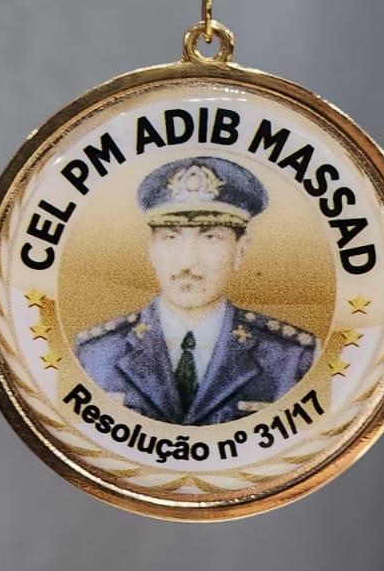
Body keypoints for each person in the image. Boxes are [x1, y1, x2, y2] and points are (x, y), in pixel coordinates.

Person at [74, 157, 317, 425]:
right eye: (171, 238)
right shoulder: (95, 353)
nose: (187, 263)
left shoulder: (290, 357)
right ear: (151, 250)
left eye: (211, 238)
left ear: (239, 250)